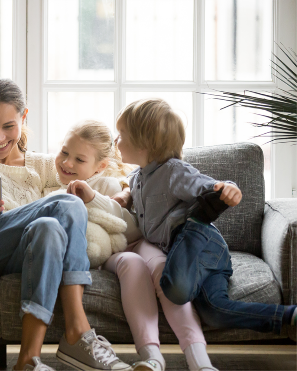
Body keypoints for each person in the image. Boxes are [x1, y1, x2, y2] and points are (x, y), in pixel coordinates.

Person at [0, 78, 133, 371]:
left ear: (24, 117)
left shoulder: (44, 165)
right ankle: (78, 331)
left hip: (22, 254)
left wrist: (128, 190)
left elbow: (94, 173)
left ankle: (28, 360)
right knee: (66, 204)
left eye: (9, 126)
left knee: (49, 228)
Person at [114, 98, 297, 370]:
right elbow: (132, 196)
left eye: (122, 136)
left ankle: (199, 220)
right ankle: (290, 317)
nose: (116, 140)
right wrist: (123, 198)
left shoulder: (174, 171)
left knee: (174, 289)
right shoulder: (136, 177)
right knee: (215, 312)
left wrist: (228, 188)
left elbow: (209, 187)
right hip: (196, 259)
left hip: (200, 245)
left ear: (144, 144)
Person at [46, 119, 217, 371]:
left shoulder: (110, 184)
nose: (67, 163)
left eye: (79, 160)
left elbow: (132, 226)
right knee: (133, 263)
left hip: (138, 241)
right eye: (64, 152)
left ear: (100, 166)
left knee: (162, 269)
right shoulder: (53, 190)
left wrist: (94, 199)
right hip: (113, 253)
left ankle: (200, 360)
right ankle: (151, 355)